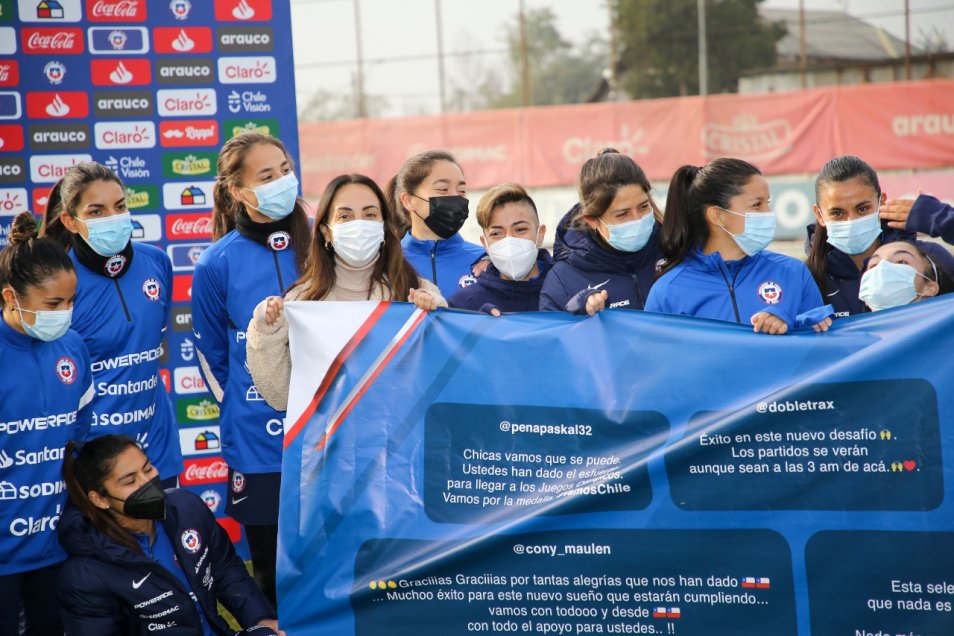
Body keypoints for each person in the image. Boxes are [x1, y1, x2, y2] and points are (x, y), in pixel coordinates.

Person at [191, 132, 311, 609]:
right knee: (270, 573)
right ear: (237, 191)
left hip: (329, 426)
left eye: (285, 169)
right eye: (267, 175)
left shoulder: (323, 237)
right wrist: (245, 406)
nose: (283, 180)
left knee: (332, 555)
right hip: (258, 440)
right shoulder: (215, 262)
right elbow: (211, 356)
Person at [247, 174, 446, 411]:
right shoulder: (303, 301)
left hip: (401, 442)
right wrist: (268, 330)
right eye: (345, 216)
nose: (359, 224)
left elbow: (440, 375)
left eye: (370, 215)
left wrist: (436, 316)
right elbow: (280, 397)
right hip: (330, 444)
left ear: (384, 226)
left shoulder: (413, 290)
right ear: (326, 232)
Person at [40, 161, 182, 485]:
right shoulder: (61, 282)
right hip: (94, 460)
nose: (113, 218)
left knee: (162, 536)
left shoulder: (156, 262)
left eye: (119, 207)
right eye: (96, 211)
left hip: (155, 451)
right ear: (70, 222)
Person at [58, 435, 283, 635]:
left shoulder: (187, 509)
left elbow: (225, 571)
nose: (147, 483)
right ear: (100, 499)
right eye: (129, 481)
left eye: (147, 469)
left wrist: (260, 620)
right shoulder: (84, 575)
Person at [0, 212, 93, 635]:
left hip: (55, 546)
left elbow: (81, 435)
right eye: (53, 305)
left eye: (71, 302)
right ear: (10, 296)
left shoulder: (72, 347)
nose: (65, 314)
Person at [645, 158, 833, 335]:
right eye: (756, 205)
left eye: (767, 203)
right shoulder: (667, 291)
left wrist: (791, 325)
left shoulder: (793, 272)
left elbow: (820, 350)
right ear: (718, 216)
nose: (768, 213)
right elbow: (659, 362)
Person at [806, 155, 954, 317]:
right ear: (819, 215)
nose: (851, 221)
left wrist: (944, 220)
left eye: (862, 209)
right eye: (837, 213)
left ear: (881, 202)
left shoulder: (930, 257)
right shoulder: (807, 278)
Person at [540, 150, 664, 315]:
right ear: (592, 220)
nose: (637, 219)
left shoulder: (675, 247)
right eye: (622, 214)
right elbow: (551, 337)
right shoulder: (563, 280)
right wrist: (576, 320)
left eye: (643, 206)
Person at [387, 150, 485, 297]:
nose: (455, 197)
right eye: (442, 189)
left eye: (462, 191)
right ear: (408, 200)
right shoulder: (386, 263)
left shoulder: (483, 260)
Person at [448, 183, 551, 314]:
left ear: (540, 234)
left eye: (520, 230)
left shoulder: (567, 293)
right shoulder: (463, 305)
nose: (509, 240)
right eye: (496, 233)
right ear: (485, 243)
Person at [859, 241, 953, 311]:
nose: (882, 268)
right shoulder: (848, 334)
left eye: (901, 262)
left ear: (930, 287)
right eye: (874, 265)